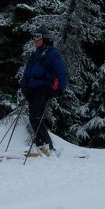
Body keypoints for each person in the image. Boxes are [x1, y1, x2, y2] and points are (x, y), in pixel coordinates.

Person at [19, 26, 68, 156]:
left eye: (38, 37)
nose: (35, 40)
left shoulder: (52, 54)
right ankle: (46, 147)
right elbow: (27, 72)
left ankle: (44, 146)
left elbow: (62, 72)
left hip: (44, 88)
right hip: (32, 89)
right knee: (35, 117)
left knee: (35, 117)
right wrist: (24, 87)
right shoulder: (34, 55)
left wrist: (60, 89)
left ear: (45, 38)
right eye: (34, 37)